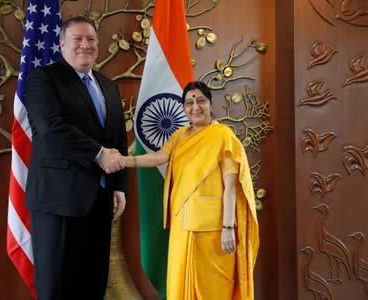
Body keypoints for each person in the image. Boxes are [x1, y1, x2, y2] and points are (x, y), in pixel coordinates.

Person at [125, 81, 259, 299]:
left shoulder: (223, 136)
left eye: (200, 101)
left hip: (212, 228)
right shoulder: (180, 135)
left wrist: (227, 227)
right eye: (189, 103)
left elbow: (231, 188)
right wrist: (125, 161)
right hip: (181, 224)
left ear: (210, 104)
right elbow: (159, 157)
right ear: (184, 108)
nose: (195, 107)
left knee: (212, 289)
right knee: (180, 284)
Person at [25, 16, 127, 300]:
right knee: (58, 288)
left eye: (91, 39)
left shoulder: (109, 85)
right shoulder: (44, 79)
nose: (86, 45)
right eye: (77, 39)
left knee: (93, 284)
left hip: (100, 200)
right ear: (62, 45)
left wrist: (118, 185)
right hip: (59, 201)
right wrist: (97, 154)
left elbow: (117, 138)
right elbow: (50, 127)